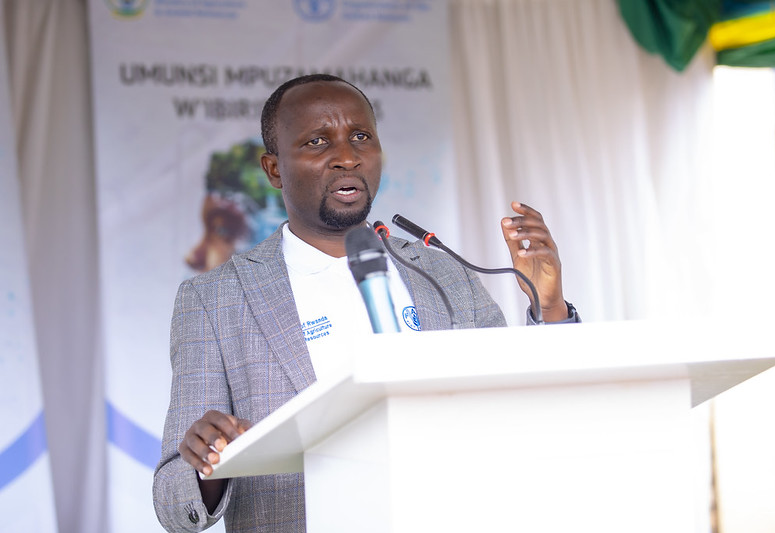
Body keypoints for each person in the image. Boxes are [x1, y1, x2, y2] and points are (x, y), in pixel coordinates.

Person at [152, 74, 579, 533]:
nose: (347, 156)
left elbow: (523, 411)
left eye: (360, 137)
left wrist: (549, 306)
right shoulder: (215, 300)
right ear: (274, 169)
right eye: (317, 141)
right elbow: (173, 503)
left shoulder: (443, 272)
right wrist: (208, 465)